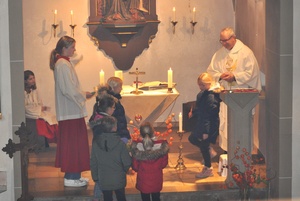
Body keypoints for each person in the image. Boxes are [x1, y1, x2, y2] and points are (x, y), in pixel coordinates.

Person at [206, 27, 262, 152]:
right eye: (221, 41)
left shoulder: (246, 52)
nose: (224, 44)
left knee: (241, 125)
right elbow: (210, 71)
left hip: (241, 95)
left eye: (226, 40)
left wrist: (234, 77)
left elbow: (252, 73)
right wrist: (220, 76)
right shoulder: (219, 54)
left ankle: (242, 152)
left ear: (233, 38)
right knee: (226, 123)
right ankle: (227, 152)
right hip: (226, 95)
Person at [49, 35, 94, 187]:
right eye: (73, 47)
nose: (75, 50)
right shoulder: (62, 64)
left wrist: (82, 93)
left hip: (72, 110)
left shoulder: (64, 63)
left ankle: (75, 175)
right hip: (70, 112)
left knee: (76, 143)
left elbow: (70, 87)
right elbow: (67, 89)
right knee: (73, 144)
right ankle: (71, 177)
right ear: (64, 48)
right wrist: (84, 95)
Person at [188, 73, 222, 178]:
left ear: (208, 84)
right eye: (199, 85)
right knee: (192, 138)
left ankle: (208, 168)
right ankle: (209, 151)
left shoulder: (211, 97)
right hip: (202, 122)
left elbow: (208, 116)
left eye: (202, 85)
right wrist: (193, 113)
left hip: (209, 125)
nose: (200, 87)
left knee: (204, 145)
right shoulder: (203, 94)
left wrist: (206, 132)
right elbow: (200, 109)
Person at [90, 116, 132, 201]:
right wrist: (124, 170)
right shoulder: (120, 143)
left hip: (103, 178)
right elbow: (127, 162)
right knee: (121, 197)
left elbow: (93, 162)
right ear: (115, 127)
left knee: (107, 198)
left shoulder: (96, 143)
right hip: (119, 178)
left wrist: (95, 177)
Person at [131, 121, 169, 201]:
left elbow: (135, 167)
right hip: (156, 180)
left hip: (143, 181)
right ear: (153, 132)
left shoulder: (137, 147)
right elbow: (164, 164)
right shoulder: (161, 146)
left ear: (140, 133)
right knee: (156, 198)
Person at [89, 94, 116, 200]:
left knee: (101, 175)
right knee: (104, 176)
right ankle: (100, 196)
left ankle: (98, 196)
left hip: (99, 150)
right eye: (113, 107)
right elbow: (108, 138)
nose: (114, 110)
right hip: (105, 152)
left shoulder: (97, 117)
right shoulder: (106, 122)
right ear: (108, 109)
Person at [24, 70, 58, 151]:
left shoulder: (35, 91)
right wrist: (39, 109)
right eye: (30, 79)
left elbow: (39, 103)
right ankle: (39, 145)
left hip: (36, 112)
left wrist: (41, 108)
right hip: (29, 114)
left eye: (33, 78)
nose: (33, 80)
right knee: (42, 121)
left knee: (51, 118)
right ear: (25, 81)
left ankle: (47, 142)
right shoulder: (23, 93)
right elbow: (25, 108)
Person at [106, 77, 131, 144]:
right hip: (118, 133)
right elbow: (118, 118)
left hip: (118, 131)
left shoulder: (114, 99)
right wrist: (124, 135)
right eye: (120, 86)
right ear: (114, 87)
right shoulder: (112, 101)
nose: (121, 88)